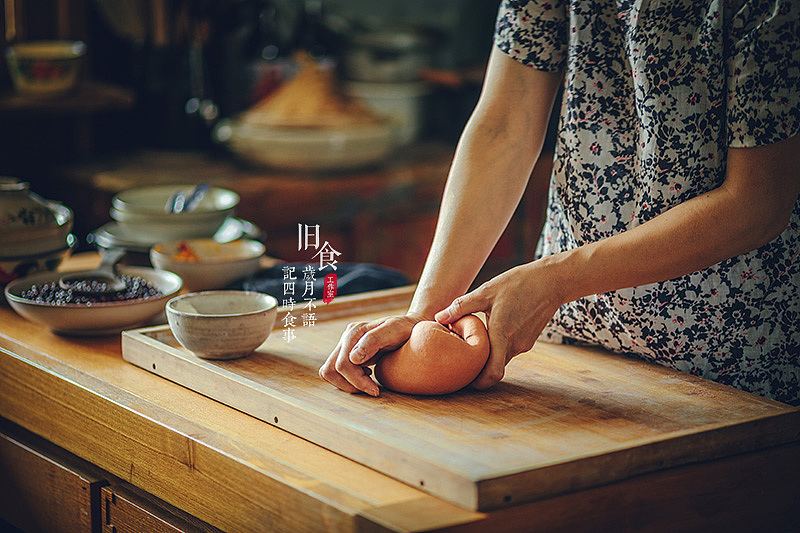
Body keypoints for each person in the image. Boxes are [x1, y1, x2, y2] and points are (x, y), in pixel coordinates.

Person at [319, 0, 800, 405]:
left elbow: (758, 200)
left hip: (731, 359)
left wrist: (557, 279)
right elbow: (503, 127)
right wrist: (426, 313)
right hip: (573, 340)